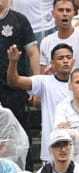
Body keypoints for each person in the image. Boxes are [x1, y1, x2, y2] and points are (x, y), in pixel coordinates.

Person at [8, 41, 71, 163]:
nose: (65, 61)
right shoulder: (44, 82)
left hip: (76, 149)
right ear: (52, 63)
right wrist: (13, 62)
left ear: (73, 61)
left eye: (68, 57)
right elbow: (14, 81)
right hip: (51, 149)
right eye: (60, 58)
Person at [0, 0, 39, 130]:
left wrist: (36, 84)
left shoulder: (19, 20)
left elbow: (33, 53)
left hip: (14, 89)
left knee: (18, 132)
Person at [38, 0, 79, 71]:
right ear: (53, 13)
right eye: (60, 10)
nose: (65, 14)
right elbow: (43, 74)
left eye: (68, 10)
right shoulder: (45, 42)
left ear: (74, 13)